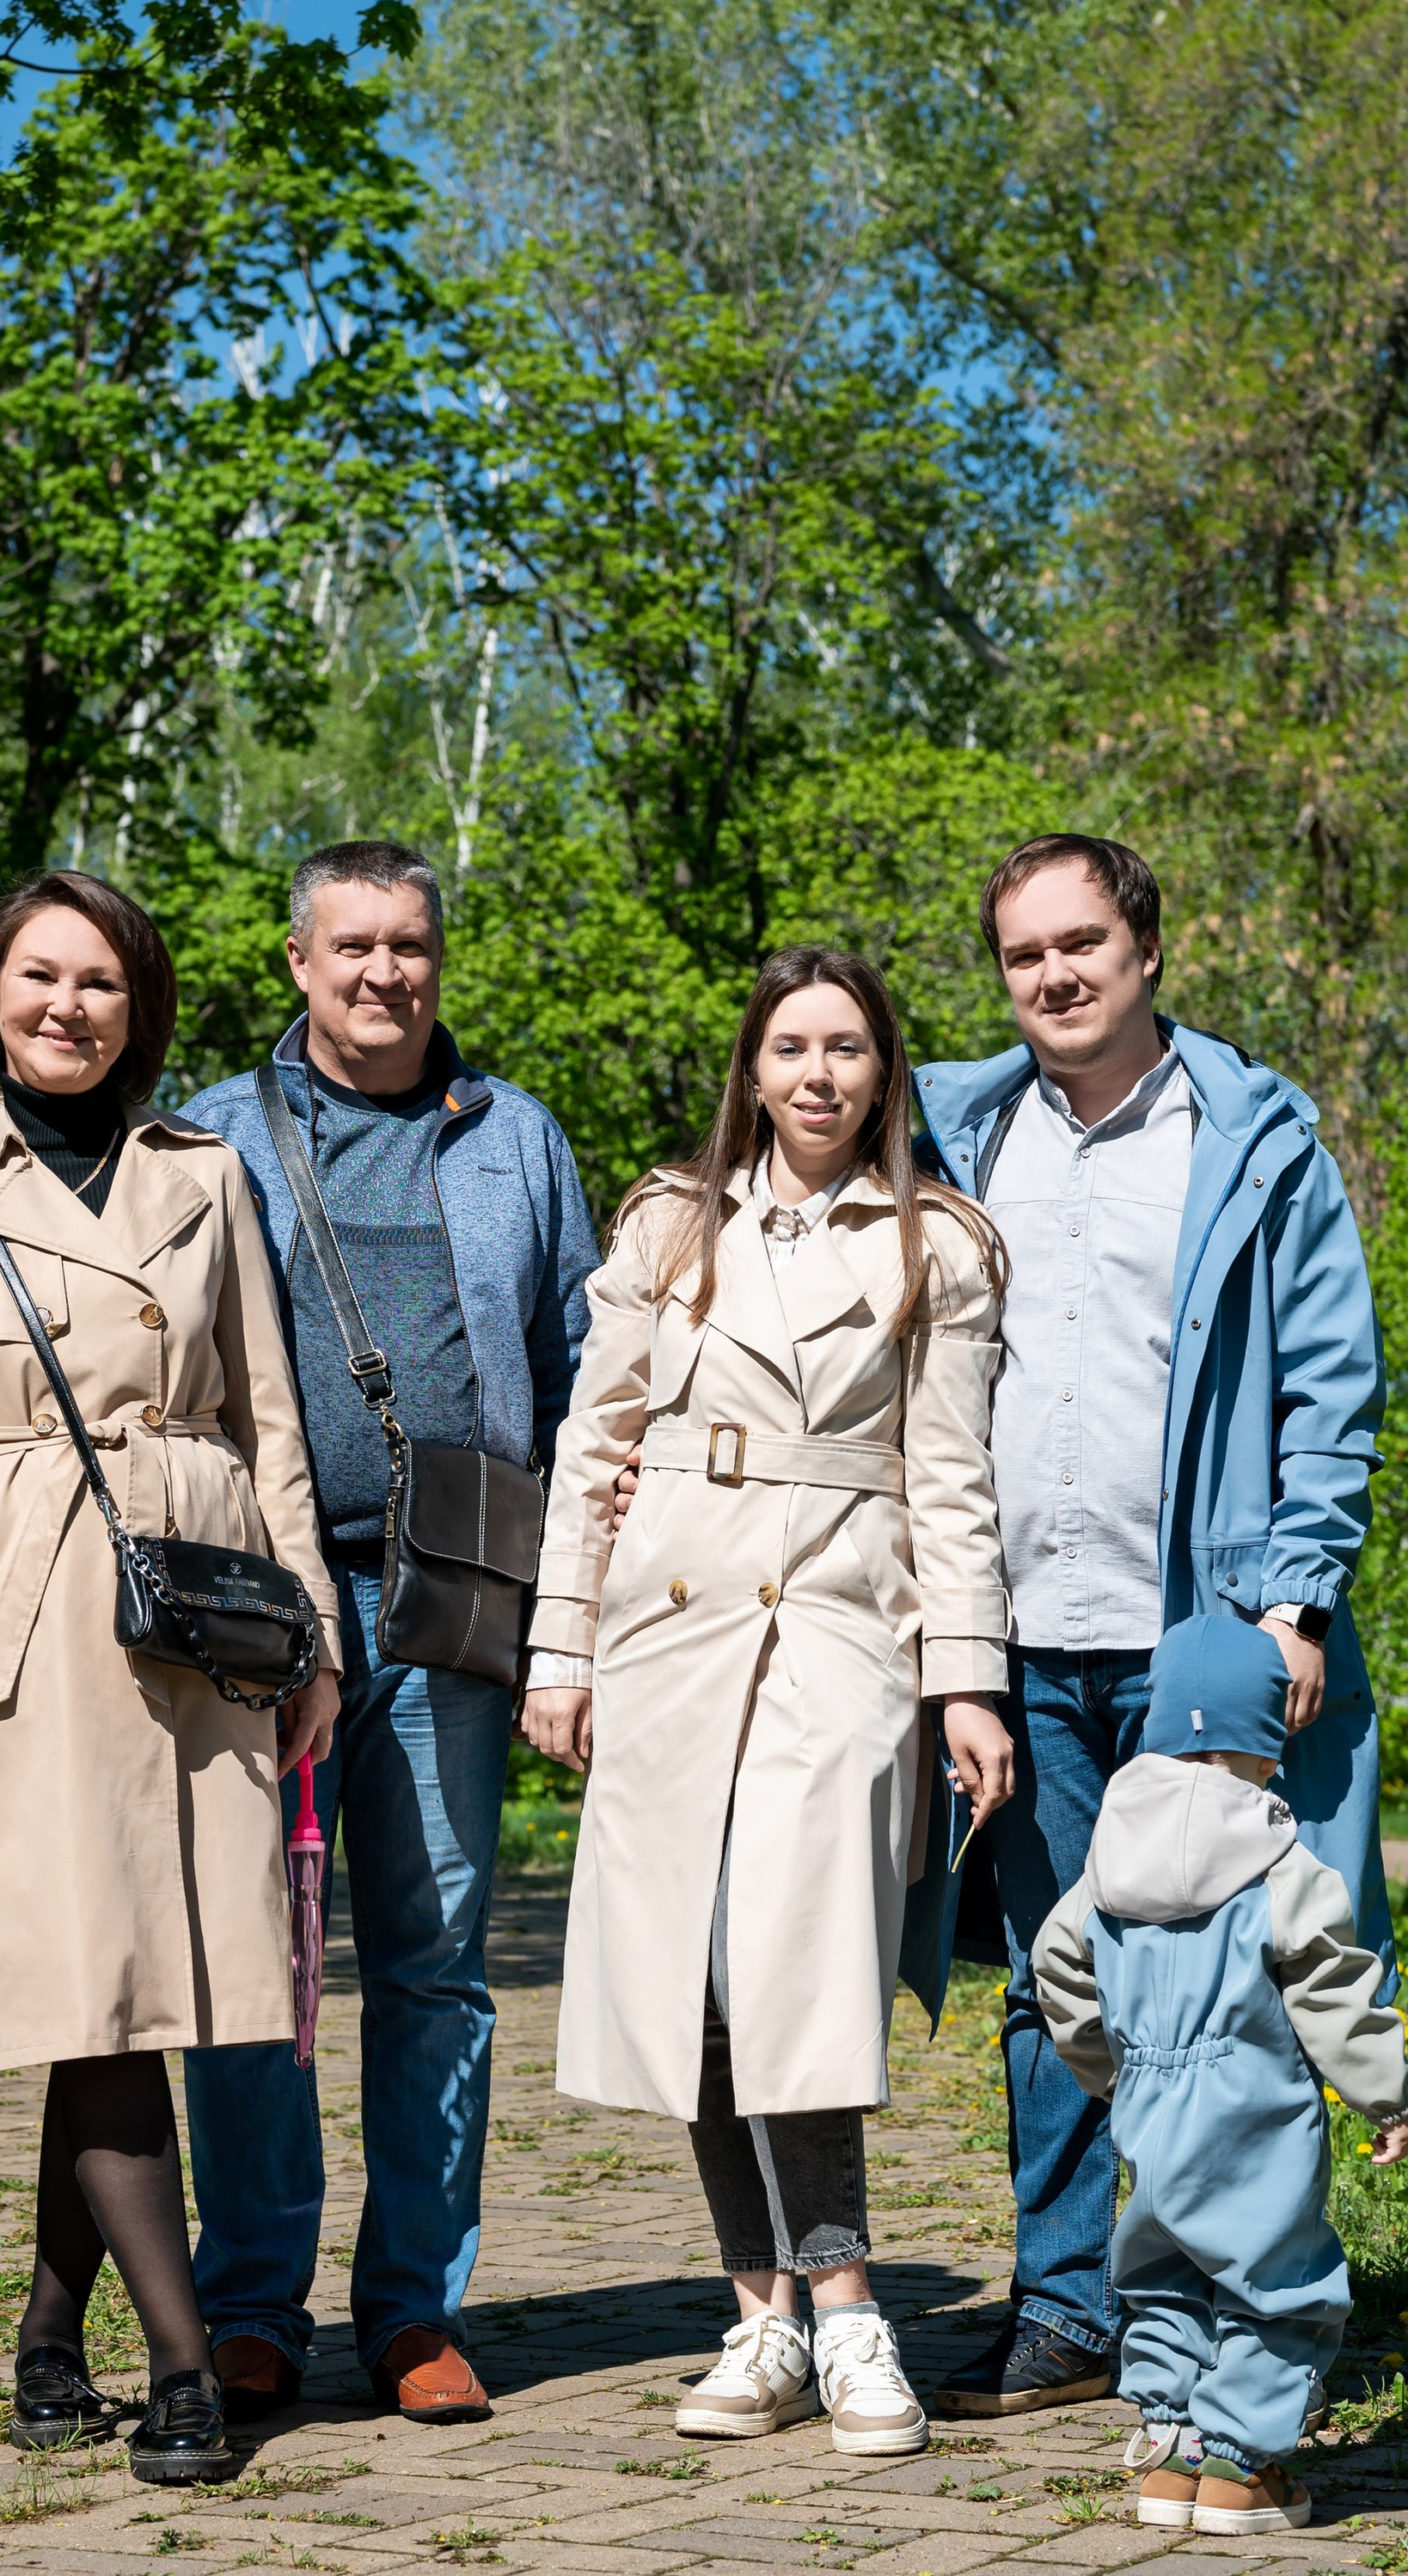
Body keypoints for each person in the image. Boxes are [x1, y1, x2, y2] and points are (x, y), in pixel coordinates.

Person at [0, 872, 341, 2489]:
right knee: (93, 1982)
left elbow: (270, 1422)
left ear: (142, 1003)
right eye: (40, 977)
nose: (68, 1007)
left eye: (100, 982)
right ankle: (183, 2366)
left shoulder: (209, 1177)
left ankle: (52, 2327)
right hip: (19, 1612)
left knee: (138, 1986)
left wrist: (310, 1627)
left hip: (193, 1612)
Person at [905, 833, 1392, 2419]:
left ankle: (1246, 2303)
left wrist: (1293, 1600)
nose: (1053, 975)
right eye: (1024, 953)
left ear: (1147, 948)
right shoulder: (964, 1130)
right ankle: (1066, 2310)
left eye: (1083, 943)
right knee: (1064, 1988)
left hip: (1206, 1642)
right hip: (1021, 1637)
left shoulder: (1252, 1139)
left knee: (1235, 1976)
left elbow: (1330, 1387)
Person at [523, 947, 1018, 2461]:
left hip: (840, 1629)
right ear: (751, 1068)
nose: (818, 1073)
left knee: (798, 1965)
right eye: (791, 1046)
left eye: (849, 1049)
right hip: (668, 1632)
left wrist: (969, 1679)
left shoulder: (941, 1244)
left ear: (885, 1073)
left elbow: (954, 1475)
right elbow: (593, 1442)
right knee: (701, 1981)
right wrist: (560, 1648)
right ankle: (766, 2320)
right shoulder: (672, 1227)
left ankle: (854, 2313)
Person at [177, 839, 600, 2424]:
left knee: (434, 1971)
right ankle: (253, 2305)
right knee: (262, 1970)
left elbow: (586, 1368)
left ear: (438, 958)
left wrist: (583, 1597)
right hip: (263, 1616)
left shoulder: (516, 1138)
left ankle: (417, 2310)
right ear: (298, 962)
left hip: (454, 1615)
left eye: (409, 945)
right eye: (351, 946)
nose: (383, 973)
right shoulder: (215, 1135)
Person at [1031, 1615, 1408, 2534]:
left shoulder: (1107, 1863)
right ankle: (1243, 2465)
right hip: (1255, 2114)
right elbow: (1334, 1993)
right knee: (1275, 2278)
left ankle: (1171, 2453)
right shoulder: (1283, 1866)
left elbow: (1054, 1960)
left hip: (1152, 2114)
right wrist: (1384, 2092)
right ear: (1271, 1735)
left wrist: (1106, 2067)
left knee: (1164, 2271)